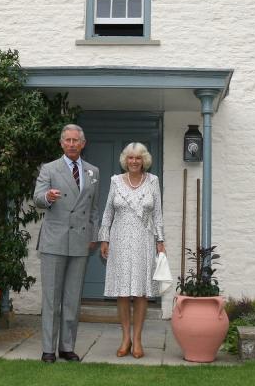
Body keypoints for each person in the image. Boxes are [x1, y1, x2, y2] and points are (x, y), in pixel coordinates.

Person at [33, 124, 101, 363]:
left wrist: (94, 235)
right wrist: (47, 198)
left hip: (81, 242)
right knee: (52, 298)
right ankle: (48, 349)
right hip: (55, 241)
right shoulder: (49, 169)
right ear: (61, 143)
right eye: (68, 140)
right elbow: (37, 199)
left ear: (83, 144)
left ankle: (67, 347)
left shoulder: (93, 171)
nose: (72, 144)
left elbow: (93, 210)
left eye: (76, 140)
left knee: (73, 297)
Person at [97, 142, 166, 359]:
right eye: (130, 158)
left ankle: (137, 340)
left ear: (144, 160)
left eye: (138, 158)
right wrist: (104, 239)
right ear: (125, 160)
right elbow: (108, 212)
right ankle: (125, 338)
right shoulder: (115, 181)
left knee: (141, 292)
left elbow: (158, 214)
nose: (134, 161)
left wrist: (160, 241)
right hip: (119, 240)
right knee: (123, 293)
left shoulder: (153, 181)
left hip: (144, 241)